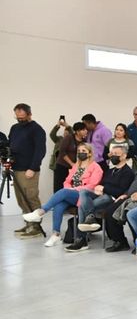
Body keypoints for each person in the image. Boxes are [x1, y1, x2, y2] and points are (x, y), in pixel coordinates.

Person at [22, 143, 103, 247]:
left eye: (83, 151)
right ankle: (56, 234)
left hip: (85, 196)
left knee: (63, 193)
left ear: (89, 153)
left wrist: (72, 189)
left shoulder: (96, 167)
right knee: (58, 204)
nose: (80, 153)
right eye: (79, 151)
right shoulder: (76, 166)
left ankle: (41, 211)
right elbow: (67, 181)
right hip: (71, 194)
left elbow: (92, 186)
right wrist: (69, 189)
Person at [67, 146, 135, 251]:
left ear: (124, 156)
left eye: (116, 154)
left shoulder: (128, 172)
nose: (113, 156)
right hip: (101, 195)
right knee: (84, 192)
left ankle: (81, 239)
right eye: (111, 154)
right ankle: (90, 218)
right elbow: (102, 184)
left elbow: (120, 191)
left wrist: (104, 188)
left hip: (113, 199)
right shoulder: (111, 170)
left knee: (82, 207)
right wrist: (99, 189)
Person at [10, 103, 47, 239]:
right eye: (18, 117)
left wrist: (33, 168)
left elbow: (40, 151)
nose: (20, 120)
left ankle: (36, 227)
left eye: (23, 117)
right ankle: (28, 223)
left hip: (29, 170)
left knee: (30, 197)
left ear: (29, 114)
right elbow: (11, 144)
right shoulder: (14, 128)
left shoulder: (37, 130)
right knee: (21, 199)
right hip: (16, 168)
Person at [54, 122, 87, 193]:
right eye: (83, 130)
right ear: (78, 132)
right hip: (63, 166)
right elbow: (62, 152)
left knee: (72, 187)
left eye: (85, 129)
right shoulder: (69, 137)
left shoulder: (84, 141)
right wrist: (71, 164)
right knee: (59, 187)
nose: (86, 131)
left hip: (76, 168)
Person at [48, 115, 72, 191]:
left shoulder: (72, 141)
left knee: (67, 185)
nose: (66, 133)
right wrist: (58, 125)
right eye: (65, 132)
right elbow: (52, 135)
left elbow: (73, 133)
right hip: (57, 165)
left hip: (68, 166)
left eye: (67, 132)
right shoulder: (59, 139)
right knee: (57, 185)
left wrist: (67, 126)